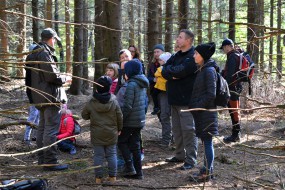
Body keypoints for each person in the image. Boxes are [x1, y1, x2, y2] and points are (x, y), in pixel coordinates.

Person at [28, 28, 68, 170]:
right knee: (50, 130)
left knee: (43, 128)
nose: (56, 43)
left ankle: (42, 159)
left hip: (40, 96)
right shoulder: (44, 53)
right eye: (55, 40)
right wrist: (65, 78)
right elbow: (52, 76)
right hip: (50, 96)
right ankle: (50, 162)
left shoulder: (34, 52)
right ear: (51, 38)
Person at [162, 29, 198, 170]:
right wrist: (172, 73)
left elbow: (182, 71)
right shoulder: (176, 55)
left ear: (188, 40)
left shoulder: (193, 56)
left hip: (187, 101)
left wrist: (173, 72)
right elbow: (164, 70)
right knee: (176, 130)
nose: (177, 39)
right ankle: (179, 155)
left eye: (180, 37)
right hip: (174, 99)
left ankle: (190, 159)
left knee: (188, 130)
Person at [81, 76, 123, 184]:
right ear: (109, 88)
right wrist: (120, 128)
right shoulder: (113, 100)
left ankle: (98, 178)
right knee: (112, 154)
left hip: (97, 133)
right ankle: (112, 177)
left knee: (98, 155)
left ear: (97, 87)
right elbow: (119, 116)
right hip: (111, 132)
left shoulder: (91, 101)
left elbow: (84, 115)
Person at [189, 42, 218, 182]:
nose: (194, 55)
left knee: (207, 142)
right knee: (206, 141)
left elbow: (211, 94)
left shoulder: (209, 71)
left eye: (196, 53)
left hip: (206, 112)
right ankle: (207, 169)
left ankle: (207, 172)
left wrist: (197, 106)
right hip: (202, 112)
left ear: (203, 56)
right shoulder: (203, 69)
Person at [118, 59, 149, 180]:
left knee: (121, 141)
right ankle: (139, 172)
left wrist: (121, 120)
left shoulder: (131, 84)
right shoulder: (142, 83)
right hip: (139, 120)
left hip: (130, 121)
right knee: (135, 145)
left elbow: (128, 106)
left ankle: (130, 167)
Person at [220, 38, 242, 143]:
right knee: (234, 111)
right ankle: (237, 133)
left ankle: (235, 135)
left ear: (229, 46)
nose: (224, 49)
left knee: (234, 111)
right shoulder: (234, 55)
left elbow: (230, 74)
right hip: (235, 87)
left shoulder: (232, 56)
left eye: (224, 47)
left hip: (233, 88)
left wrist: (224, 85)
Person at [154, 52, 172, 147]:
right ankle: (168, 138)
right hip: (162, 94)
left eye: (160, 60)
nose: (158, 61)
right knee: (165, 116)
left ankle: (167, 140)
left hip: (167, 94)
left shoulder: (165, 70)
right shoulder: (165, 69)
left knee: (165, 116)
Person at [24, 43, 40, 146]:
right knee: (33, 115)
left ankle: (35, 136)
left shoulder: (31, 63)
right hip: (33, 94)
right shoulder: (31, 64)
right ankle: (26, 138)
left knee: (38, 115)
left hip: (35, 93)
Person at [148, 44, 164, 115]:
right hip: (154, 88)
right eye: (155, 52)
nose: (156, 54)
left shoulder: (167, 62)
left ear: (162, 52)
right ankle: (156, 108)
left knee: (164, 112)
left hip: (164, 91)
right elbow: (148, 77)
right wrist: (154, 79)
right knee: (159, 114)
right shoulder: (152, 64)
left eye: (158, 52)